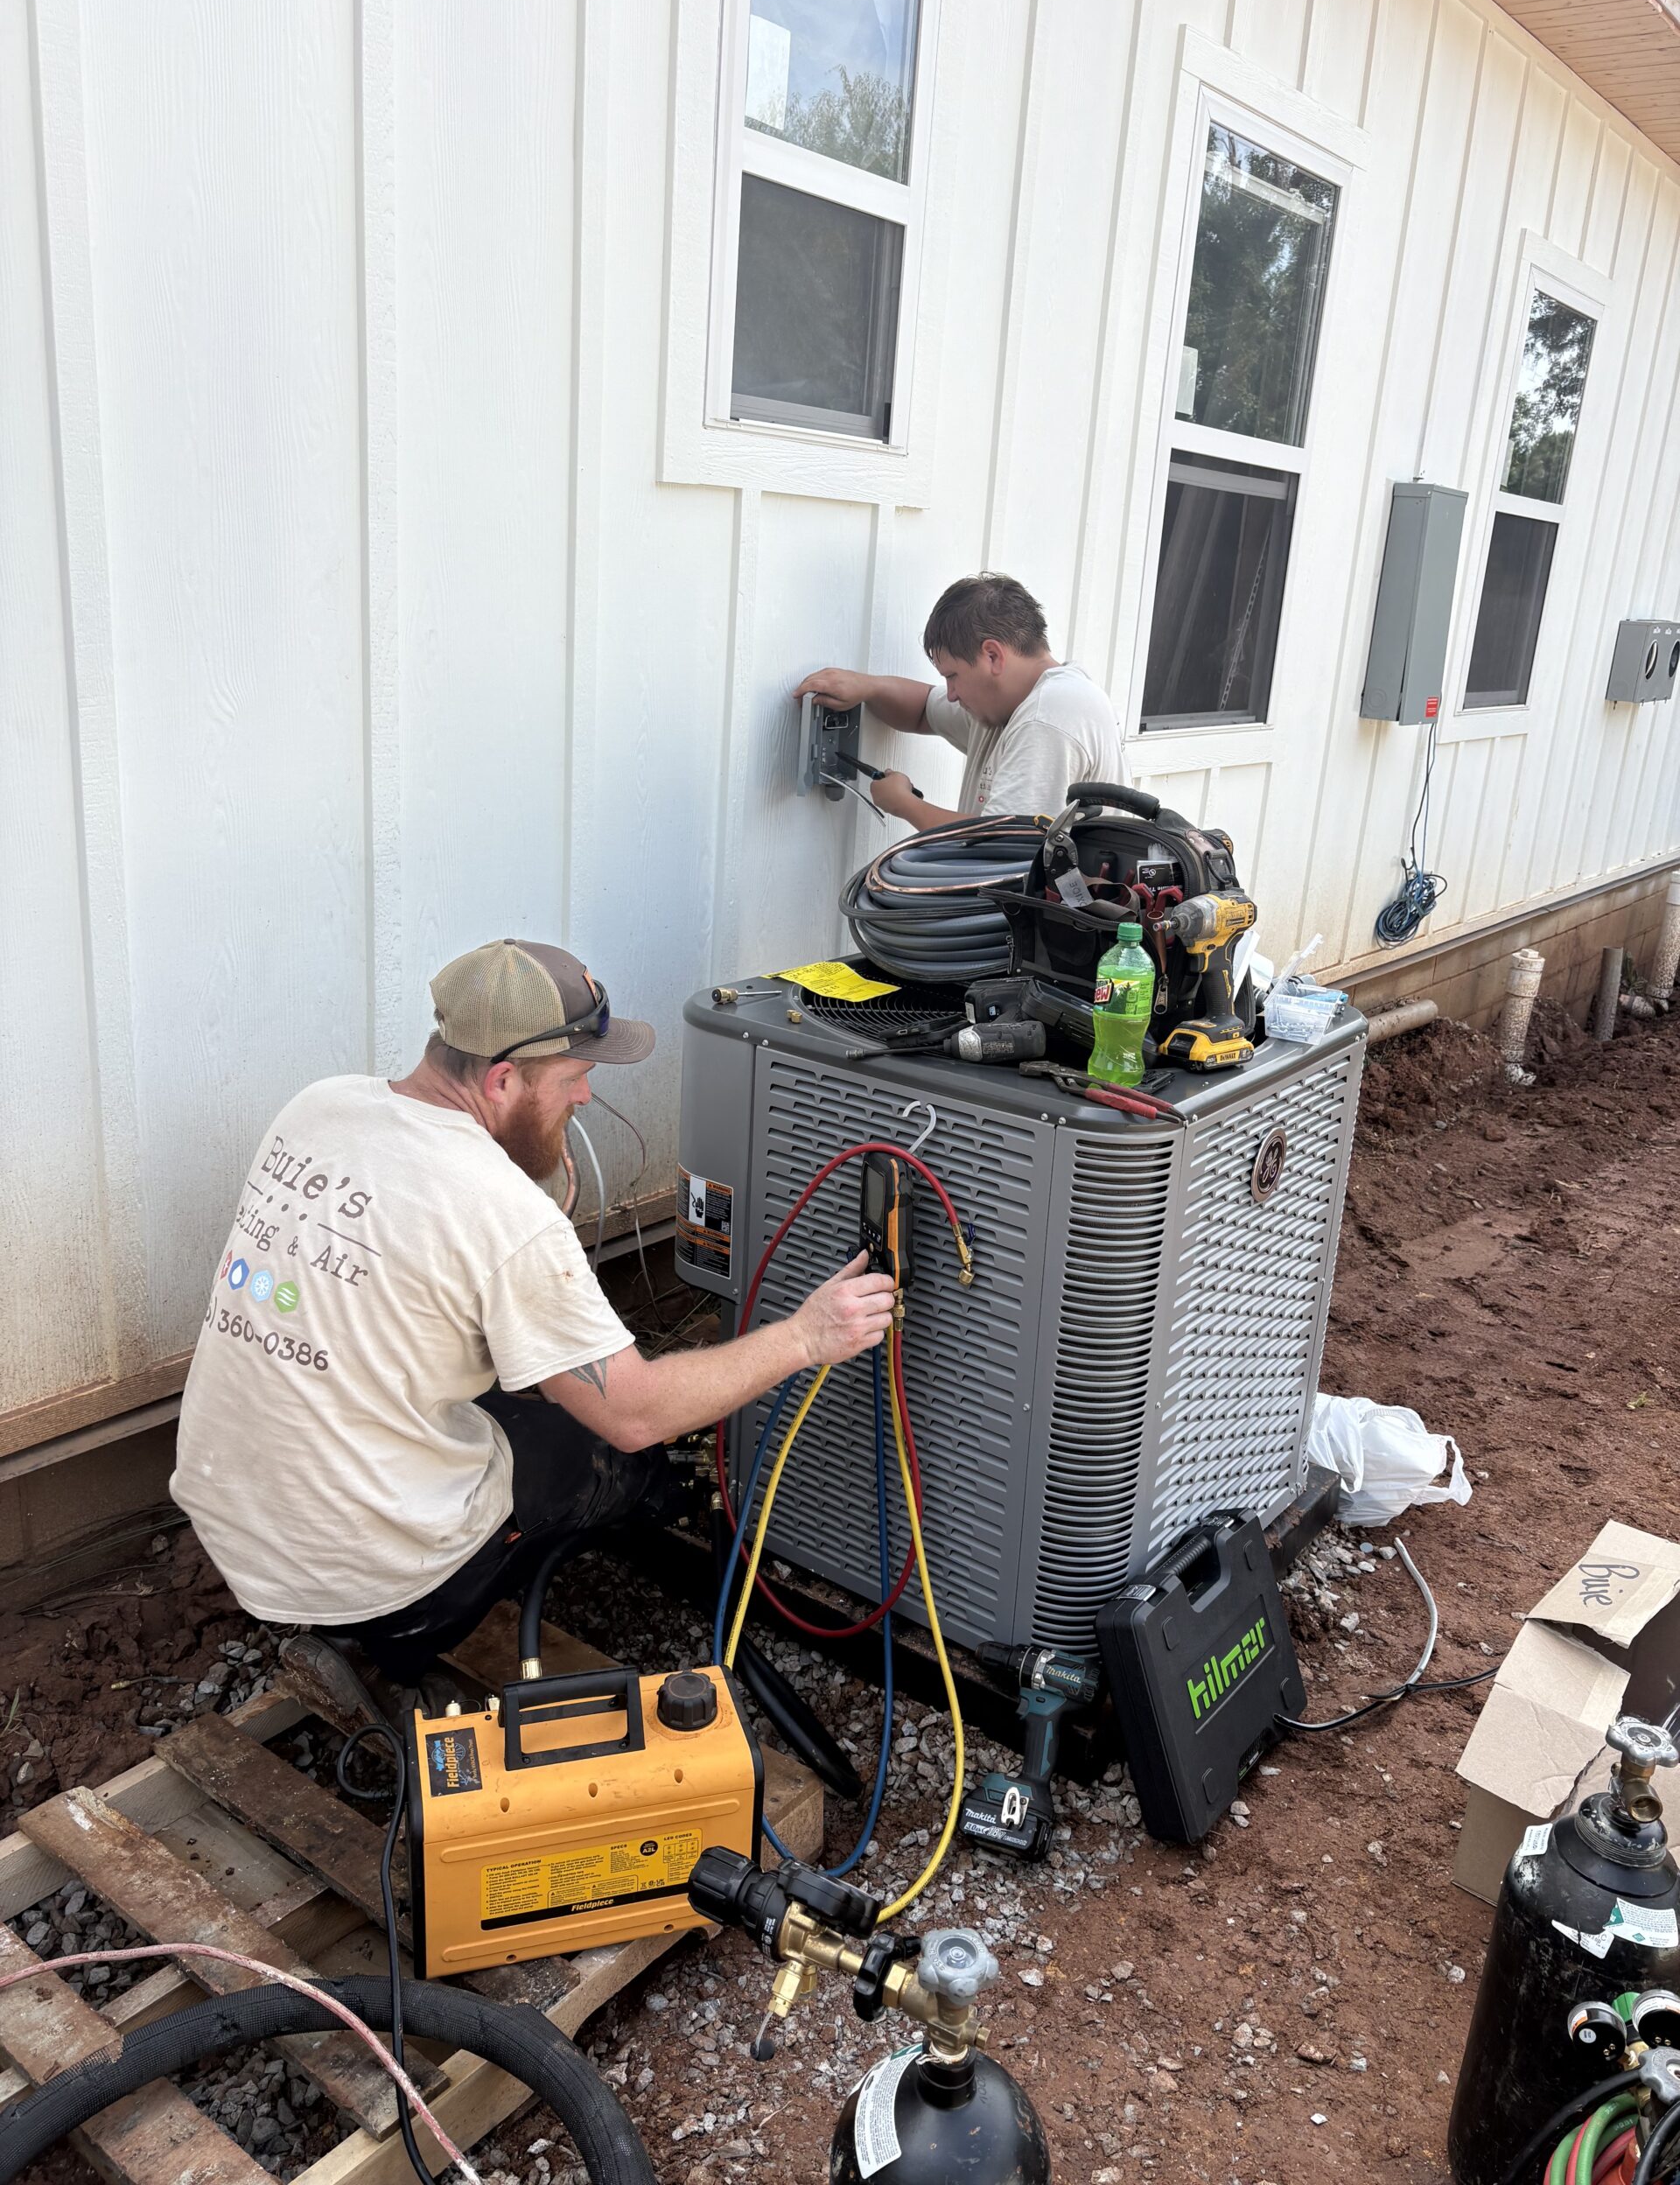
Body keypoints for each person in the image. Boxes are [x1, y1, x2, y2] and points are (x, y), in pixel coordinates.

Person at [170, 938, 896, 1711]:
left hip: (232, 1521)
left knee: (527, 1388)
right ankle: (404, 1634)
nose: (585, 1099)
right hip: (379, 1585)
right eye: (575, 1078)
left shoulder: (321, 1105)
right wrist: (806, 1336)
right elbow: (635, 1411)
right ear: (503, 1079)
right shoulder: (500, 1211)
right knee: (615, 1451)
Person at [794, 571, 1125, 830]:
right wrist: (867, 688)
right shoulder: (1010, 703)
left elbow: (997, 845)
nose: (951, 693)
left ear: (992, 655)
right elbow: (923, 709)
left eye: (952, 676)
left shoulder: (1049, 717)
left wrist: (906, 805)